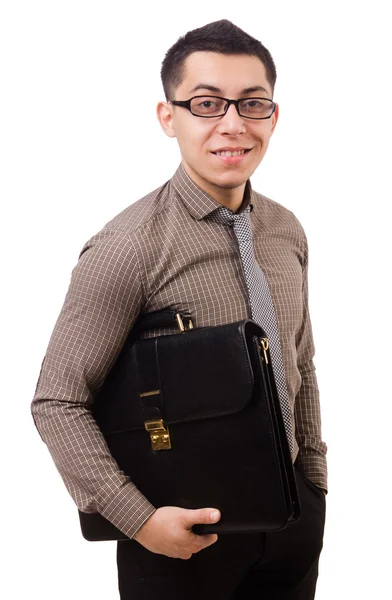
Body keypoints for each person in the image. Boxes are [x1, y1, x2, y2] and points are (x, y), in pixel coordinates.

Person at [31, 19, 328, 600]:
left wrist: (314, 479)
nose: (233, 125)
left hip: (294, 525)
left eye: (252, 104)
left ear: (274, 115)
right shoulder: (128, 247)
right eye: (207, 104)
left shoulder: (286, 229)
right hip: (178, 537)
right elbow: (57, 401)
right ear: (169, 118)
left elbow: (301, 360)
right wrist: (139, 521)